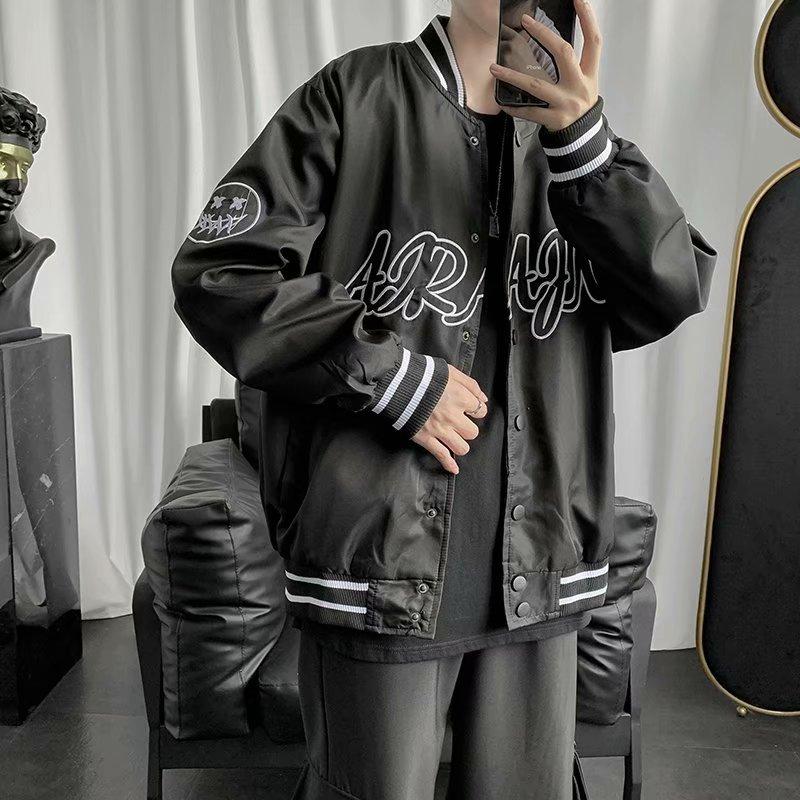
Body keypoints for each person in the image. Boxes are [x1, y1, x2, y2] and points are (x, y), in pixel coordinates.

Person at [171, 0, 717, 797]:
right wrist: (390, 378)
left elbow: (671, 289)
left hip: (536, 575)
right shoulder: (353, 97)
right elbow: (221, 272)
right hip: (376, 564)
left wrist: (588, 151)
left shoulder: (582, 152)